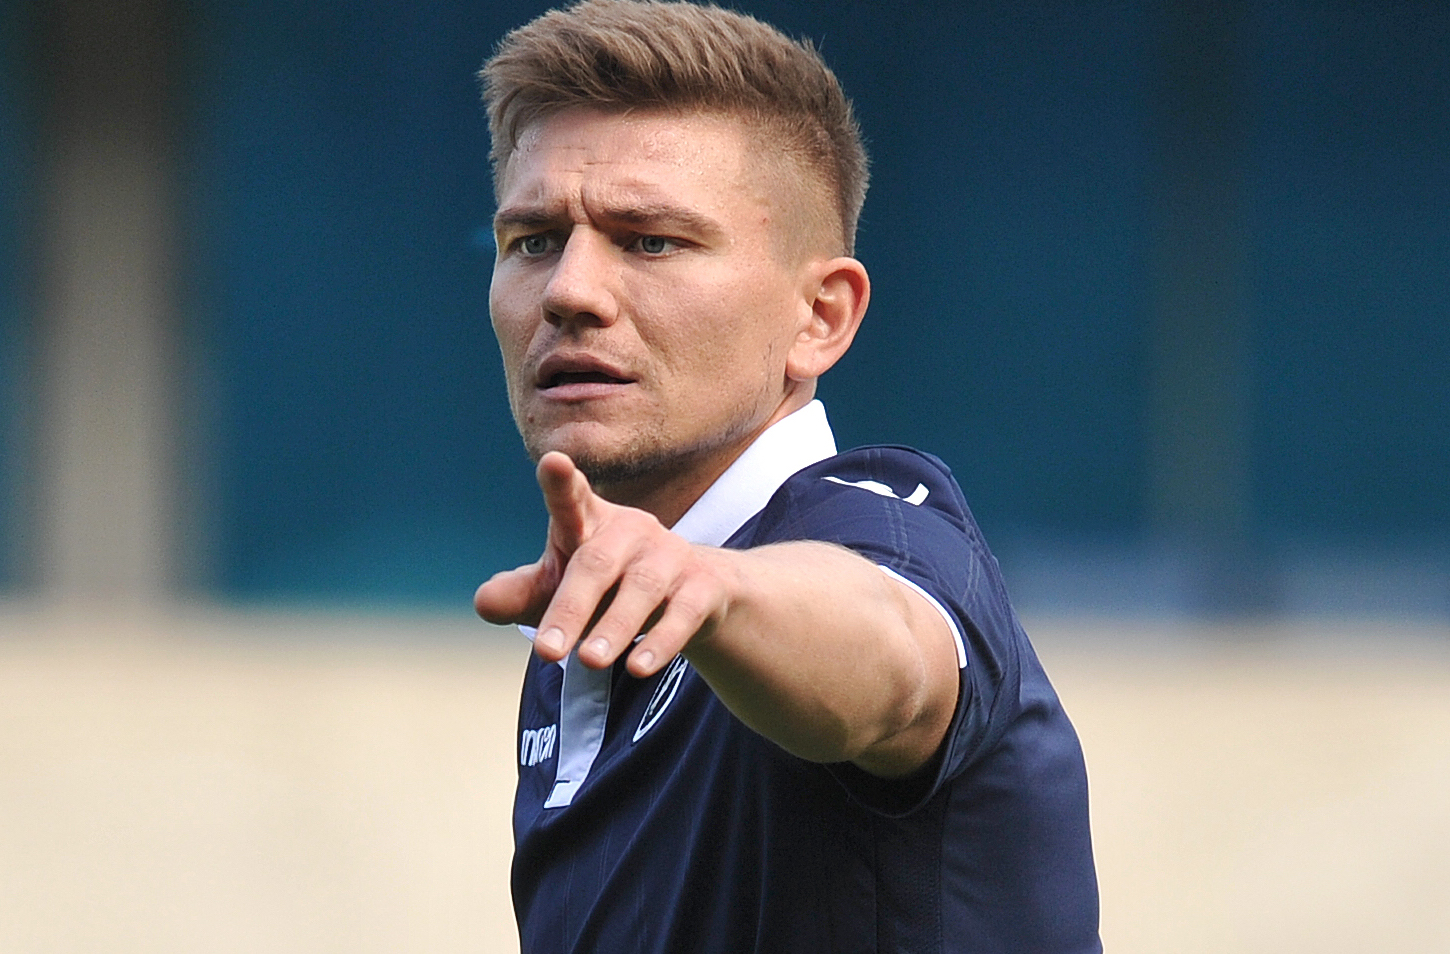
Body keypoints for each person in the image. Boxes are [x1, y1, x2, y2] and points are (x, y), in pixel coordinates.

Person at [472, 2, 1100, 951]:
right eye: (534, 240)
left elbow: (890, 657)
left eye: (651, 240)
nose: (570, 291)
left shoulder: (884, 535)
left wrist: (717, 589)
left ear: (821, 317)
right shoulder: (595, 630)